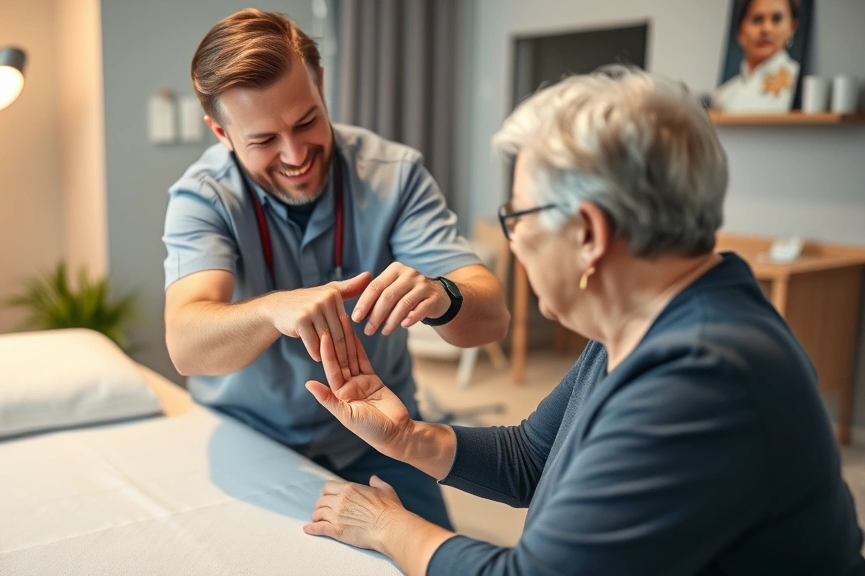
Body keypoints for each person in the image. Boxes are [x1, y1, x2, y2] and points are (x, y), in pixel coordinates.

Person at [302, 67, 865, 575]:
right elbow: (531, 460)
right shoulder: (641, 321)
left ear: (589, 234)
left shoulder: (702, 376)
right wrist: (404, 438)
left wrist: (389, 528)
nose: (512, 239)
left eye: (517, 217)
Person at [162, 8, 509, 531]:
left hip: (380, 435)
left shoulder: (395, 175)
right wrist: (274, 310)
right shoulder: (203, 197)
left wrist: (444, 294)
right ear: (221, 132)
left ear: (321, 84)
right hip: (254, 441)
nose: (295, 154)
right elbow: (186, 344)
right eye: (263, 140)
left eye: (306, 122)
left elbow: (493, 318)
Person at [713, 0, 801, 112]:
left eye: (776, 19)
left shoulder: (800, 84)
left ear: (792, 27)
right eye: (757, 19)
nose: (766, 29)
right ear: (740, 31)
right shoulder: (722, 96)